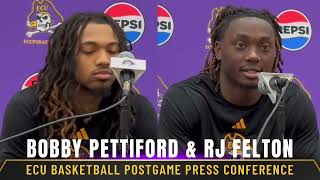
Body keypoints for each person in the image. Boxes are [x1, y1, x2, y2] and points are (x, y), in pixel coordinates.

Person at [158, 6, 320, 162]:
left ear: (275, 54)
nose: (253, 56)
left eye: (264, 47)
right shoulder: (185, 100)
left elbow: (311, 172)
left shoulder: (291, 102)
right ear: (218, 50)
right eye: (241, 45)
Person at [0, 13, 157, 160]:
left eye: (113, 51)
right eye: (88, 50)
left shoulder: (136, 108)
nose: (104, 60)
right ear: (64, 57)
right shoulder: (28, 106)